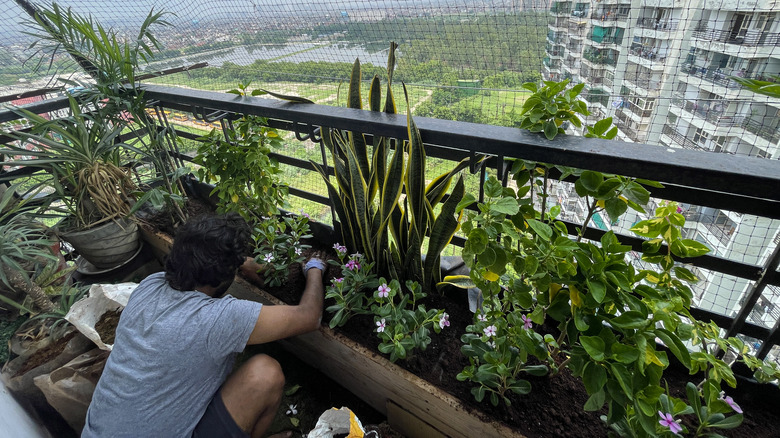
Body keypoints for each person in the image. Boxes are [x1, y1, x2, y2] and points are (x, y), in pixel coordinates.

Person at [82, 213, 327, 438]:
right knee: (265, 373)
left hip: (97, 432)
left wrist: (239, 262)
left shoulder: (150, 285)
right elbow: (309, 317)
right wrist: (314, 269)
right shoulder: (217, 319)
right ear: (223, 277)